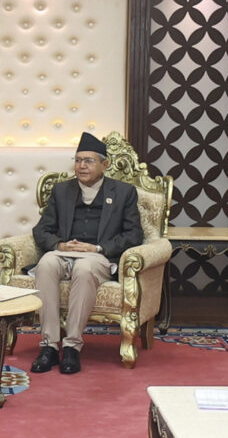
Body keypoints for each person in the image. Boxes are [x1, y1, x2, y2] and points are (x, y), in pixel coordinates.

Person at [27, 132, 143, 376]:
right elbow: (41, 230)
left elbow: (134, 235)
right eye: (78, 160)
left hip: (97, 256)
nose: (81, 166)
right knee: (46, 264)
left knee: (84, 268)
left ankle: (72, 347)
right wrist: (59, 245)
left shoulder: (124, 192)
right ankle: (49, 346)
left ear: (105, 164)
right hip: (64, 253)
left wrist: (98, 248)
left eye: (89, 161)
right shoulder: (62, 191)